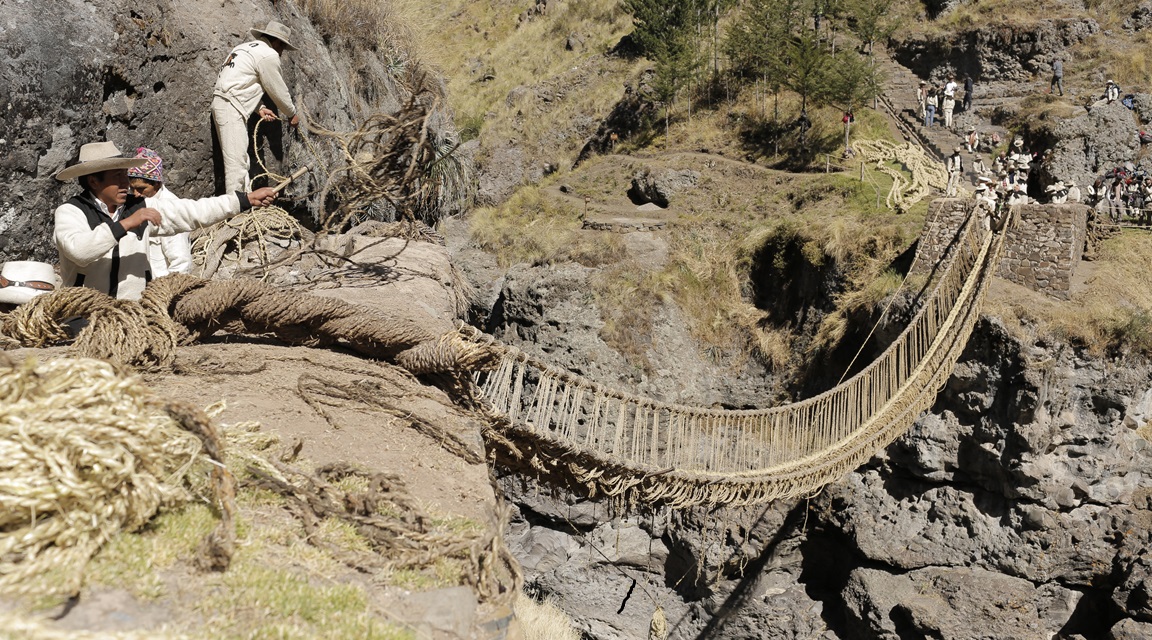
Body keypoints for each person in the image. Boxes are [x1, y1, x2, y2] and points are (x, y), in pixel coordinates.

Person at [53, 141, 278, 300]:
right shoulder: (71, 212)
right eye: (118, 177)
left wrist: (243, 200)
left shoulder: (140, 206)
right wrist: (128, 223)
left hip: (134, 312)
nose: (126, 183)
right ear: (93, 181)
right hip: (84, 312)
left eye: (125, 175)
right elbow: (79, 252)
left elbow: (192, 212)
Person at [212, 21, 300, 194]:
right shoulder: (268, 55)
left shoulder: (243, 48)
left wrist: (259, 107)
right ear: (277, 42)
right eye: (282, 48)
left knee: (239, 160)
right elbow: (277, 88)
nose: (281, 53)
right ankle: (236, 216)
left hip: (225, 103)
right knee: (236, 166)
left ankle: (242, 205)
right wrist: (291, 114)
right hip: (231, 107)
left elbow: (238, 82)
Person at [127, 148, 193, 278]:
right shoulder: (135, 203)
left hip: (159, 288)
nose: (135, 194)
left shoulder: (171, 209)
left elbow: (181, 263)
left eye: (141, 189)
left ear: (156, 184)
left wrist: (168, 294)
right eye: (132, 188)